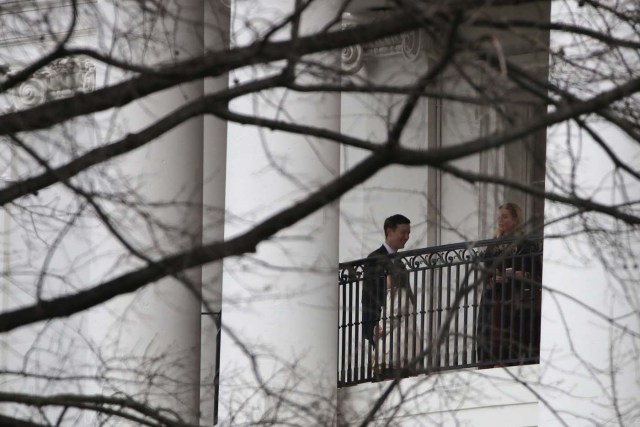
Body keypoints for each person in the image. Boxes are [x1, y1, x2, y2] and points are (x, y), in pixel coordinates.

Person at [476, 202, 542, 368]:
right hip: (495, 297)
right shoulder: (492, 246)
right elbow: (486, 273)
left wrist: (522, 275)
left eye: (505, 217)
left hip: (518, 299)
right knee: (493, 330)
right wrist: (494, 278)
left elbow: (538, 275)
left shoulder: (527, 245)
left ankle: (512, 360)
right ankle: (493, 361)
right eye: (499, 217)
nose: (500, 220)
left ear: (515, 219)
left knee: (513, 332)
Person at [362, 214, 416, 371]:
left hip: (402, 326)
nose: (407, 237)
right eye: (403, 232)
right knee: (385, 366)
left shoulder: (399, 262)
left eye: (409, 233)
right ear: (390, 232)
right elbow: (368, 296)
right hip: (382, 325)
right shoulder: (374, 259)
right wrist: (371, 326)